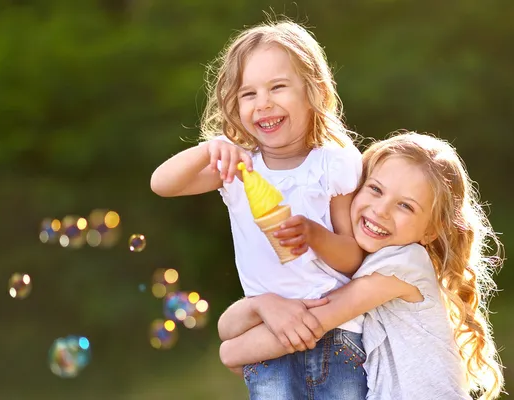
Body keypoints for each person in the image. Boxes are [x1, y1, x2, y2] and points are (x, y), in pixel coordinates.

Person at [150, 18, 369, 399]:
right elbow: (162, 184)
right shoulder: (238, 169)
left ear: (313, 91)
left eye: (278, 87)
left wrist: (314, 236)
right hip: (267, 340)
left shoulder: (332, 164)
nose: (263, 102)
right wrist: (208, 148)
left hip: (337, 335)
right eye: (248, 94)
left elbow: (353, 257)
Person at [218, 132, 505, 400]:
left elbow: (314, 322)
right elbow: (235, 327)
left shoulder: (404, 264)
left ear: (431, 231)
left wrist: (231, 352)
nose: (381, 210)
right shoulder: (359, 264)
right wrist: (261, 305)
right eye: (376, 189)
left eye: (405, 206)